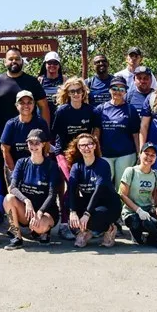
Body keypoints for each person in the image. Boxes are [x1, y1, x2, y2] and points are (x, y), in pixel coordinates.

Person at [50, 77, 96, 241]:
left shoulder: (90, 110)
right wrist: (59, 153)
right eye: (72, 91)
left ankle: (80, 222)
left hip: (83, 153)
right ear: (67, 93)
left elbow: (94, 133)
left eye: (79, 90)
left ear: (84, 92)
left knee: (80, 187)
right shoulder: (62, 111)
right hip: (63, 153)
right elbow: (55, 134)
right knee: (71, 183)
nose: (76, 94)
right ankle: (64, 224)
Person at [4, 132, 59, 249]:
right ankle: (16, 237)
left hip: (45, 210)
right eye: (30, 142)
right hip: (27, 210)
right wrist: (26, 201)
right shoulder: (21, 163)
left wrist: (40, 212)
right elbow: (12, 187)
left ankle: (43, 231)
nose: (34, 146)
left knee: (39, 228)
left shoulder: (51, 166)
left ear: (43, 144)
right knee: (9, 198)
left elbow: (52, 194)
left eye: (37, 142)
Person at [66, 133, 121, 248]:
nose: (86, 148)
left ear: (95, 146)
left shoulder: (103, 164)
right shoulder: (77, 167)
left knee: (92, 219)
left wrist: (86, 213)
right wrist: (72, 212)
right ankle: (86, 231)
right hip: (90, 203)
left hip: (109, 205)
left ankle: (110, 228)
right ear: (78, 148)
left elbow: (98, 191)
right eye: (82, 145)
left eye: (90, 144)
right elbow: (71, 189)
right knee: (69, 207)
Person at [92, 76, 141, 193]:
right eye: (115, 88)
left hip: (125, 154)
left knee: (122, 186)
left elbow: (136, 134)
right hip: (105, 154)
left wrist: (139, 153)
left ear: (125, 91)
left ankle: (121, 210)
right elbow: (96, 133)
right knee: (104, 184)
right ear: (109, 90)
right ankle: (107, 210)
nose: (118, 92)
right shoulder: (101, 109)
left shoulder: (130, 109)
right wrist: (95, 152)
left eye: (121, 89)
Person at [0, 48, 51, 140]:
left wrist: (45, 134)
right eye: (10, 59)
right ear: (5, 62)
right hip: (2, 133)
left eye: (17, 59)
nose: (14, 61)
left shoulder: (32, 81)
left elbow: (43, 107)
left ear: (22, 61)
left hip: (30, 133)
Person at [119, 142, 157, 248]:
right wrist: (138, 210)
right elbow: (122, 195)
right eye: (146, 153)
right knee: (136, 222)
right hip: (132, 211)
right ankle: (138, 233)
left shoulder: (155, 173)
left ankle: (152, 238)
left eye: (152, 155)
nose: (149, 157)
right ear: (140, 154)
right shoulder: (130, 171)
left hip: (147, 209)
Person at [0, 91, 51, 175]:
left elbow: (47, 145)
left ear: (34, 105)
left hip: (38, 167)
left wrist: (43, 166)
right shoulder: (11, 124)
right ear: (16, 105)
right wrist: (13, 171)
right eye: (22, 103)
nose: (26, 106)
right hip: (16, 167)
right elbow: (5, 149)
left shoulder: (41, 123)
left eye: (29, 103)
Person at [38, 51, 65, 116]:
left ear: (59, 65)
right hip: (42, 119)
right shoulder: (39, 81)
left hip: (60, 118)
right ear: (45, 64)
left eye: (55, 63)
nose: (52, 65)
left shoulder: (65, 80)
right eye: (49, 63)